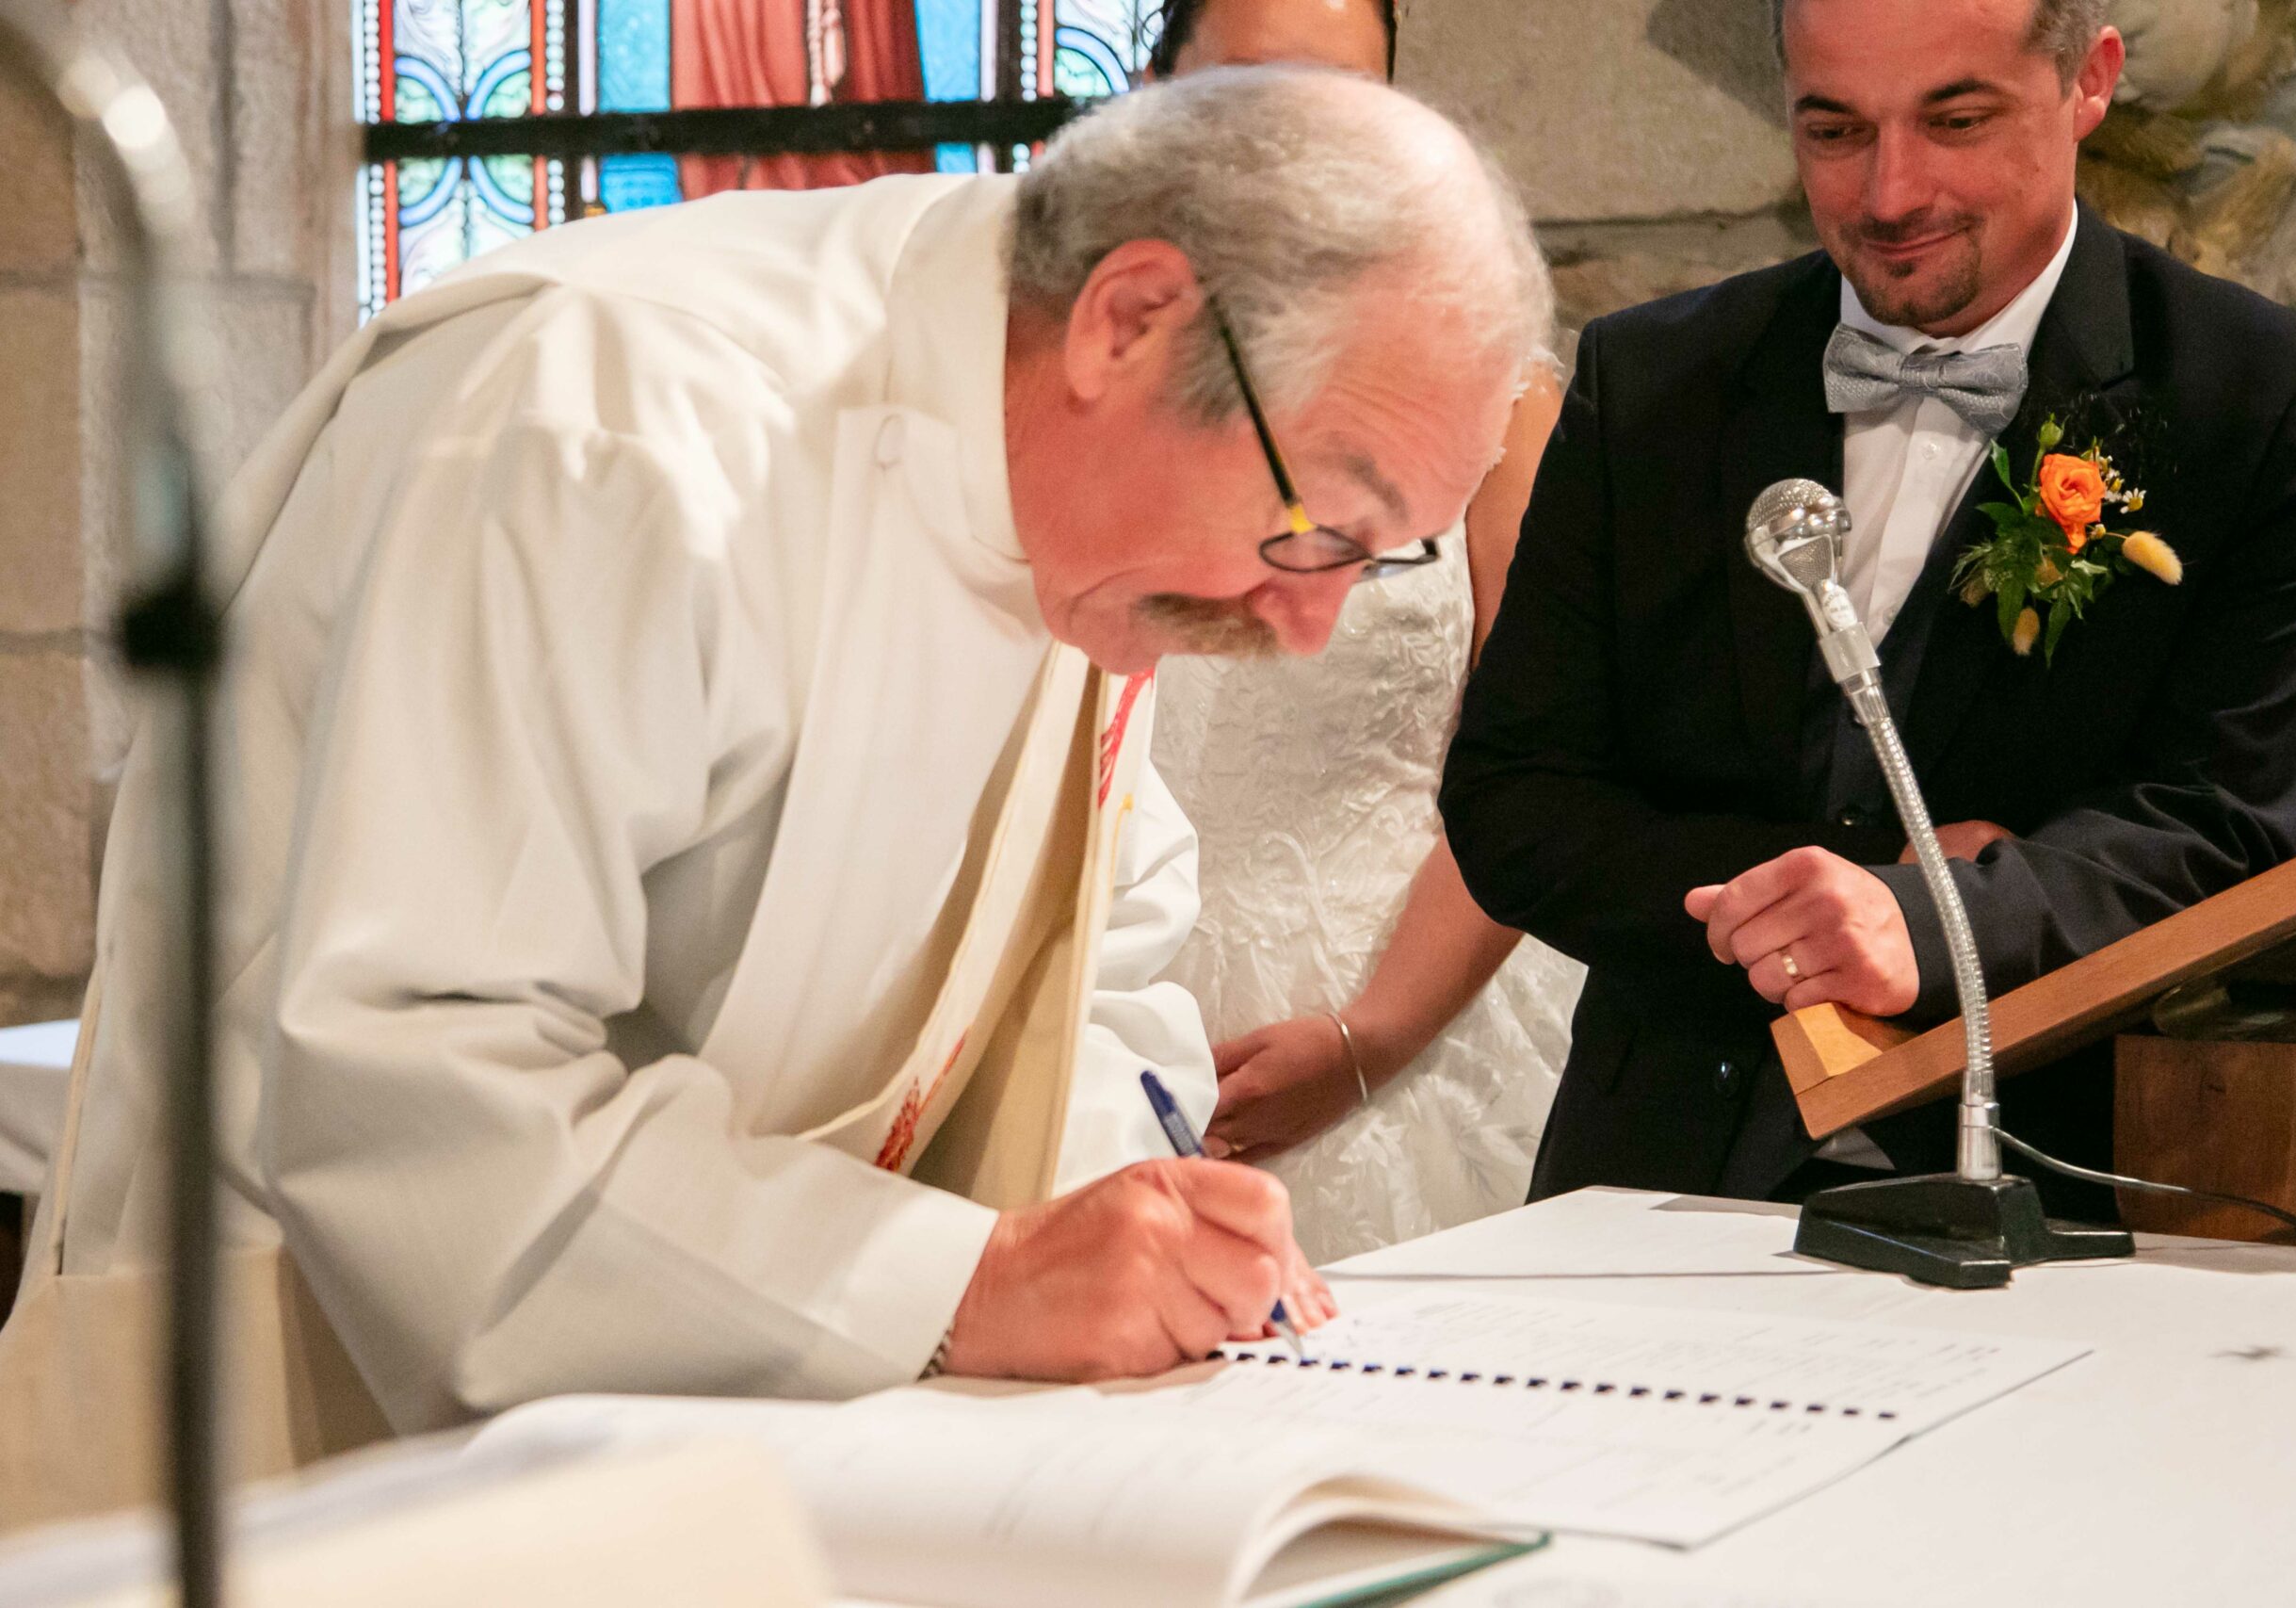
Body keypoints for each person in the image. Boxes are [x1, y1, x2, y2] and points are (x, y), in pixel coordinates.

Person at [32, 68, 1553, 1434]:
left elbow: (1098, 960)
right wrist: (973, 1282)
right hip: (326, 1398)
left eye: (1379, 559)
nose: (1308, 625)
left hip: (783, 1414)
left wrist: (1138, 1229)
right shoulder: (608, 427)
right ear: (1128, 320)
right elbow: (420, 1084)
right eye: (1320, 528)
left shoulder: (1091, 523)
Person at [1442, 0, 2296, 1213]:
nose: (1889, 194)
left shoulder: (2267, 396)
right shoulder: (1652, 379)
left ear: (2089, 82)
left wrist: (1938, 930)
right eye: (1834, 131)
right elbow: (1514, 797)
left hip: (2052, 1178)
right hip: (1657, 1169)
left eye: (1956, 121)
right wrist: (1857, 887)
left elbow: (2220, 819)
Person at [1144, 0, 1586, 1265]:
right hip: (1109, 1013)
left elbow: (1540, 758)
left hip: (1410, 1025)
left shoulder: (1496, 394)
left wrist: (1370, 1039)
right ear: (1157, 93)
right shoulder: (1069, 368)